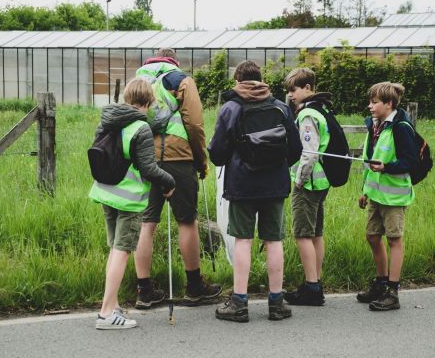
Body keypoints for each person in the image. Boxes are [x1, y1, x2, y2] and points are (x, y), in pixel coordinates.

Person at [208, 60, 302, 322]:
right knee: (273, 240)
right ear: (261, 80)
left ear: (237, 81)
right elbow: (295, 149)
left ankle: (239, 303)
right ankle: (276, 303)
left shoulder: (232, 107)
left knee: (243, 240)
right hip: (275, 185)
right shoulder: (281, 107)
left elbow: (217, 154)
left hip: (242, 185)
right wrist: (276, 165)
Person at [134, 48, 221, 309]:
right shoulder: (181, 79)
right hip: (178, 158)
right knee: (187, 221)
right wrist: (200, 160)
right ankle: (195, 287)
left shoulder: (138, 82)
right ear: (174, 61)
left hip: (145, 157)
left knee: (147, 223)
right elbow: (194, 124)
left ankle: (144, 290)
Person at [89, 78, 176, 329]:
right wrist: (169, 182)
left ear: (127, 98)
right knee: (122, 250)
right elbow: (149, 169)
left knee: (114, 249)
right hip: (128, 199)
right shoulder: (140, 128)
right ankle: (106, 314)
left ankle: (113, 305)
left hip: (106, 192)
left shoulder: (107, 122)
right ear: (148, 101)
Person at [356, 82, 419, 311]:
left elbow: (411, 161)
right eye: (370, 101)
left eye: (374, 102)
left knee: (394, 240)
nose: (370, 106)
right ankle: (381, 283)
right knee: (372, 236)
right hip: (375, 194)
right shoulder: (374, 127)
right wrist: (364, 190)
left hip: (394, 197)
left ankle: (393, 291)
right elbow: (368, 159)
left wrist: (387, 167)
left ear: (388, 104)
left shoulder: (400, 127)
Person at [283, 68, 330, 306]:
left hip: (309, 182)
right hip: (322, 181)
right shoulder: (322, 109)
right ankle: (315, 282)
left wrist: (299, 179)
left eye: (294, 89)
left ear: (308, 88)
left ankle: (311, 287)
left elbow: (309, 153)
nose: (291, 95)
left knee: (302, 234)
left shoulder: (307, 115)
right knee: (316, 234)